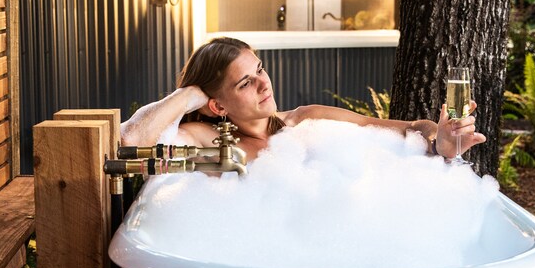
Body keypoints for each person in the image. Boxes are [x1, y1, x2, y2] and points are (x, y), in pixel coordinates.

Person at [120, 37, 486, 163]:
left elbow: (411, 130)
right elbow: (132, 139)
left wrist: (441, 140)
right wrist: (189, 94)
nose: (265, 84)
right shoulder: (210, 140)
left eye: (260, 69)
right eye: (246, 82)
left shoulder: (308, 121)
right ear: (217, 106)